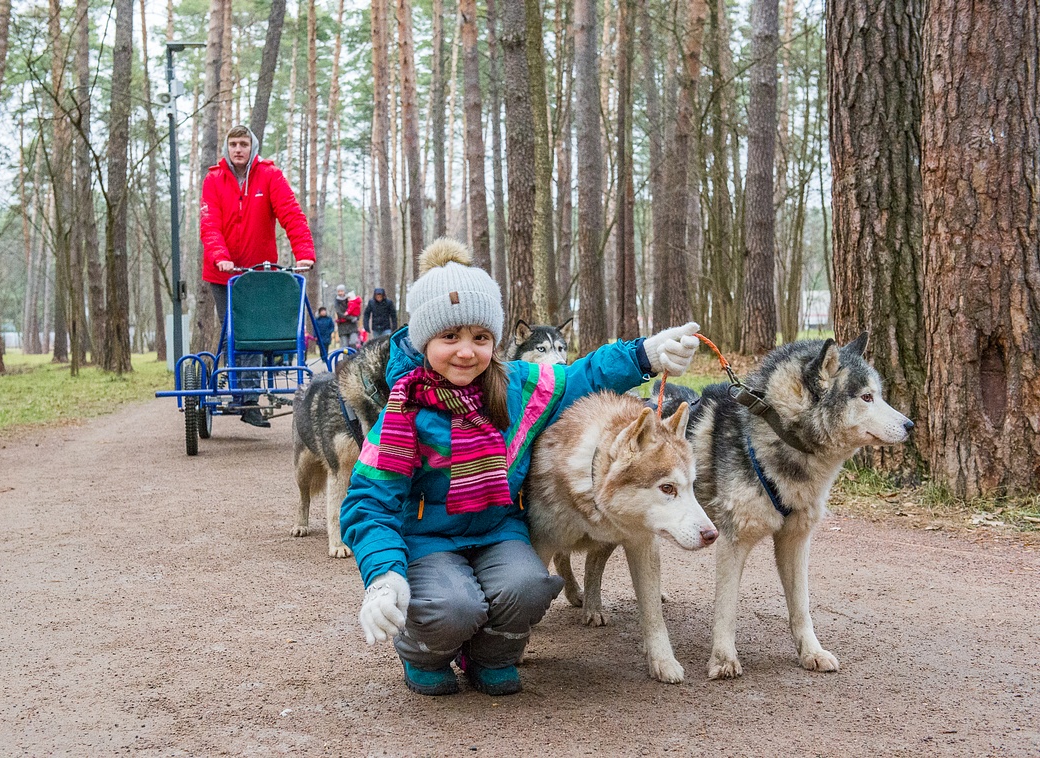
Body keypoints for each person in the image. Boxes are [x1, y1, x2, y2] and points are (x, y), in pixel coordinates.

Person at [338, 238, 700, 697]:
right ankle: (423, 652)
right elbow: (369, 501)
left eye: (480, 337)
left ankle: (489, 655)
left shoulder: (514, 387)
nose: (466, 351)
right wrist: (384, 576)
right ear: (425, 338)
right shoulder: (402, 409)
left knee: (531, 584)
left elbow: (582, 377)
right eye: (450, 337)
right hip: (427, 539)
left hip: (496, 531)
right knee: (454, 606)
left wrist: (644, 354)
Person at [200, 124, 316, 428]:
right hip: (224, 274)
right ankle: (244, 395)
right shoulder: (214, 179)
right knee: (235, 332)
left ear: (253, 147)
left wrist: (304, 252)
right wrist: (221, 257)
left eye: (244, 144)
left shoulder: (270, 176)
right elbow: (209, 224)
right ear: (227, 148)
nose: (239, 149)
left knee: (254, 333)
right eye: (233, 144)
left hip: (258, 274)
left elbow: (291, 214)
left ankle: (247, 397)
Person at [334, 284, 360, 349]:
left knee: (353, 343)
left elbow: (356, 309)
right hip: (342, 327)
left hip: (352, 326)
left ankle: (354, 357)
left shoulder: (350, 299)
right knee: (344, 346)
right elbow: (339, 313)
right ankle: (345, 358)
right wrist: (351, 318)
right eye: (339, 291)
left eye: (342, 291)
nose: (340, 293)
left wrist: (356, 317)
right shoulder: (336, 302)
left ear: (344, 291)